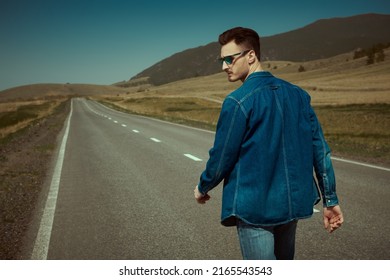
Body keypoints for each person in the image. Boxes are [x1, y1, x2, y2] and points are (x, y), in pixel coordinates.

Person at [194, 27, 344, 260]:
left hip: (254, 209)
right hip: (291, 206)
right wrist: (330, 199)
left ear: (251, 56)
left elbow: (222, 156)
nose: (224, 66)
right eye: (222, 60)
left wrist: (203, 187)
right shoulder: (299, 95)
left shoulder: (237, 100)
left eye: (229, 59)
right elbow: (320, 151)